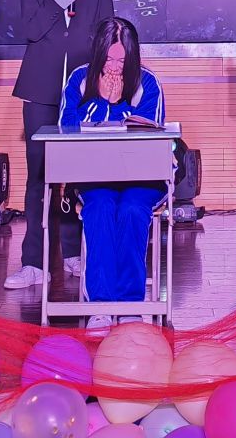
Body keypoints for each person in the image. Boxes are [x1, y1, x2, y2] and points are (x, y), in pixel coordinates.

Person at [6, 0, 114, 292]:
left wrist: (104, 81)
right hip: (40, 87)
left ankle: (73, 253)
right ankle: (33, 262)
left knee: (79, 173)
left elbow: (107, 33)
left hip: (83, 90)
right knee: (38, 174)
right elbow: (31, 29)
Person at [61, 17, 166, 330]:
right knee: (101, 208)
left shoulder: (148, 83)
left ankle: (130, 303)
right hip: (95, 175)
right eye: (109, 59)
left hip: (142, 178)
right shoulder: (79, 78)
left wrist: (117, 104)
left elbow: (148, 129)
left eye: (122, 60)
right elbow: (67, 126)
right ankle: (102, 305)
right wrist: (101, 102)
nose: (115, 67)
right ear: (98, 53)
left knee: (132, 210)